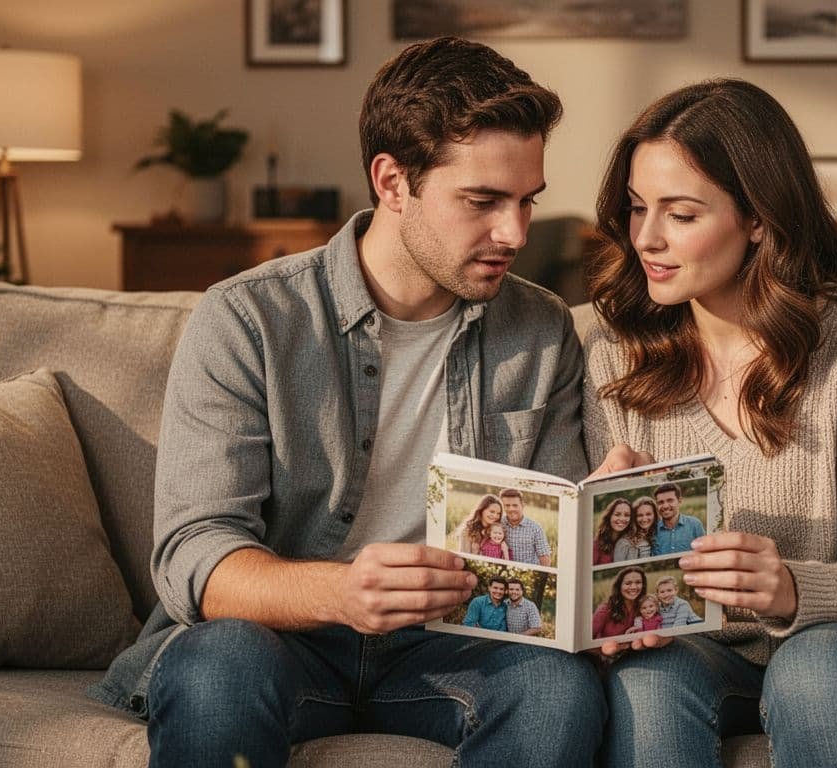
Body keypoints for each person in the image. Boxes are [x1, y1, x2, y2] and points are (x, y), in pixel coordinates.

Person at [87, 37, 604, 768]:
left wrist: (605, 523)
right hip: (281, 640)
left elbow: (550, 545)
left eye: (527, 202)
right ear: (392, 181)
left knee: (557, 687)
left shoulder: (541, 327)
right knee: (218, 668)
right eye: (483, 201)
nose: (513, 233)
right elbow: (196, 556)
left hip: (453, 645)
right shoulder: (248, 320)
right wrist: (340, 593)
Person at [581, 79, 837, 768]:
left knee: (811, 667)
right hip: (704, 651)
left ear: (758, 218)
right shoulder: (616, 353)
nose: (647, 239)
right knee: (648, 683)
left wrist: (791, 588)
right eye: (636, 208)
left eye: (681, 214)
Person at [499, 487, 552, 566]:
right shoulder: (499, 523)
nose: (511, 509)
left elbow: (544, 556)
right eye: (507, 505)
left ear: (523, 505)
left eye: (515, 505)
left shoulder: (535, 528)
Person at [591, 565, 646, 639]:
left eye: (638, 582)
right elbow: (587, 642)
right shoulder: (604, 609)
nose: (634, 587)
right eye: (628, 583)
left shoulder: (645, 606)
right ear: (619, 586)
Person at [648, 482, 703, 555]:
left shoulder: (695, 524)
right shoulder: (653, 530)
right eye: (660, 502)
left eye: (670, 500)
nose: (665, 506)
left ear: (679, 501)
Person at [613, 494, 657, 561]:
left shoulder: (659, 535)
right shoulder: (623, 543)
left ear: (655, 515)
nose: (644, 519)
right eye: (640, 515)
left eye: (648, 514)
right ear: (634, 517)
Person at [592, 496, 632, 565]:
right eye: (617, 514)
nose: (622, 518)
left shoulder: (631, 542)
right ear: (609, 516)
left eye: (626, 515)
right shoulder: (596, 544)